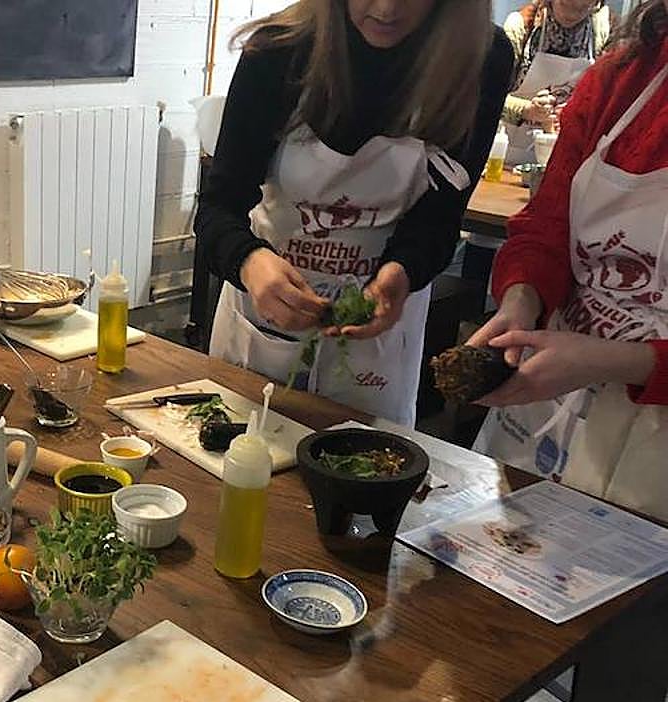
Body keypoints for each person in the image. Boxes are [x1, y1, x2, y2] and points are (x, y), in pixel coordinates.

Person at [196, 0, 513, 426]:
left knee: (361, 470)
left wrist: (401, 273)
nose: (386, 8)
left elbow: (440, 218)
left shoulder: (477, 57)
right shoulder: (279, 51)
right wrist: (250, 262)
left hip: (378, 343)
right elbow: (219, 207)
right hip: (262, 321)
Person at [470, 0, 668, 525]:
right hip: (546, 399)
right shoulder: (624, 77)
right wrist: (521, 300)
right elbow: (546, 227)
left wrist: (612, 360)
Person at [501, 0, 614, 164]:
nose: (574, 11)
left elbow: (609, 105)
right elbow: (486, 98)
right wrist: (526, 110)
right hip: (509, 155)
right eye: (565, 3)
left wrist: (578, 112)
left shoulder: (604, 31)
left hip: (566, 158)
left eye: (584, 5)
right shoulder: (521, 26)